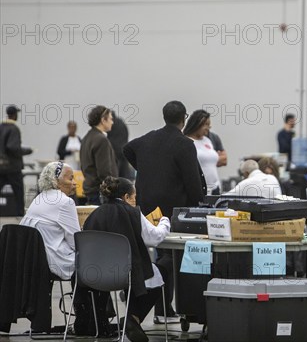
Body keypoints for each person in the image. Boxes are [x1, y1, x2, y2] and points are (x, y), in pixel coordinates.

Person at [123, 100, 206, 324]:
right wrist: (199, 203)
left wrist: (147, 169)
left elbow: (127, 148)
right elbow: (192, 181)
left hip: (148, 206)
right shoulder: (184, 144)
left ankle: (164, 308)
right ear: (184, 119)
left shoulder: (147, 139)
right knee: (172, 256)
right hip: (172, 210)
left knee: (162, 253)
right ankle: (164, 308)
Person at [78, 176, 170, 342]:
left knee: (140, 270)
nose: (135, 200)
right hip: (125, 274)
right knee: (160, 271)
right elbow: (154, 238)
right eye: (134, 197)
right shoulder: (133, 213)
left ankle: (130, 319)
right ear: (126, 197)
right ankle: (133, 318)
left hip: (93, 275)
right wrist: (165, 221)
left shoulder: (94, 214)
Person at [19, 161, 79, 280]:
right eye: (71, 178)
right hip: (53, 261)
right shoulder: (65, 202)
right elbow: (76, 242)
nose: (75, 183)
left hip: (32, 259)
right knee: (95, 259)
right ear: (56, 181)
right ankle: (82, 299)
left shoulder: (39, 198)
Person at [80, 105, 118, 205]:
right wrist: (112, 190)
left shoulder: (87, 138)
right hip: (100, 193)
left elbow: (83, 166)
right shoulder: (101, 140)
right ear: (103, 120)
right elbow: (104, 171)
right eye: (110, 119)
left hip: (90, 189)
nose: (112, 122)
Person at [0, 105, 33, 216]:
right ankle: (20, 215)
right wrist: (26, 151)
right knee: (18, 192)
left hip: (1, 166)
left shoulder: (1, 127)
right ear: (14, 115)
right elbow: (12, 147)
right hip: (12, 167)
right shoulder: (13, 128)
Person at [183, 110, 221, 195]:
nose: (209, 127)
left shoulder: (207, 141)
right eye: (206, 124)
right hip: (200, 189)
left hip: (215, 188)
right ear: (197, 124)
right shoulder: (187, 141)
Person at [107, 111, 135, 179]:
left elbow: (108, 139)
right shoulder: (122, 123)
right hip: (123, 151)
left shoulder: (112, 125)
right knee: (124, 176)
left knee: (115, 177)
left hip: (114, 154)